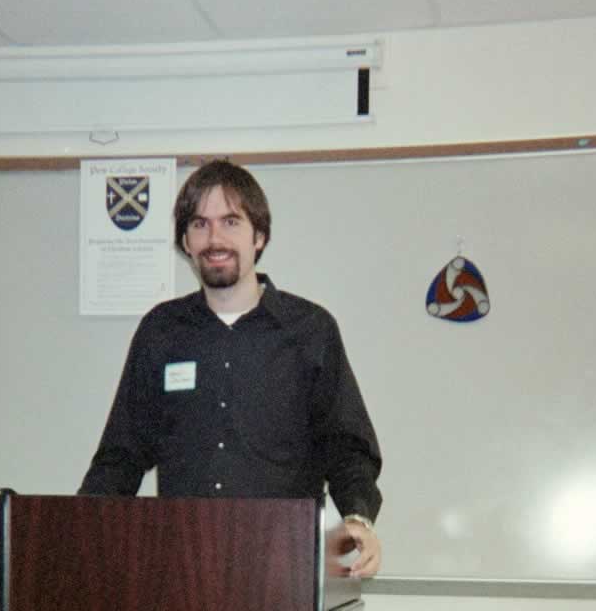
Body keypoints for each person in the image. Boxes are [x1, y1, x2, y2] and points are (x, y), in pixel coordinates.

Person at [79, 158, 383, 577]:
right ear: (186, 241)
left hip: (284, 573)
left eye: (230, 222)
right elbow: (122, 455)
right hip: (180, 573)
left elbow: (348, 449)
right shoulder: (161, 332)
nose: (214, 238)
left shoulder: (310, 331)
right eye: (200, 224)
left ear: (259, 236)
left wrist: (358, 518)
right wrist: (76, 530)